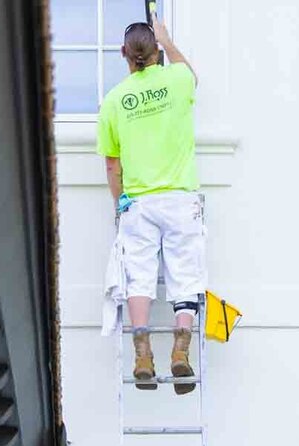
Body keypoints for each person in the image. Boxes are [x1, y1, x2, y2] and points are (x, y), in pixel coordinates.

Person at [98, 15, 203, 394]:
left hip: (139, 203)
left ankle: (143, 356)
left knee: (139, 278)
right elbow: (191, 74)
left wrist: (120, 202)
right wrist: (168, 41)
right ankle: (180, 353)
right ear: (155, 51)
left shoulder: (113, 101)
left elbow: (112, 163)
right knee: (185, 276)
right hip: (179, 197)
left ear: (123, 54)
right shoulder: (176, 80)